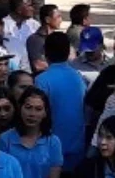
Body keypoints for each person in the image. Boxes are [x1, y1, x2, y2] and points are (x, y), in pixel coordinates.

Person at [0, 87, 62, 178]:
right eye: (28, 107)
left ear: (45, 113)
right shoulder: (5, 140)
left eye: (38, 109)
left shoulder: (53, 142)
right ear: (20, 108)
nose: (32, 114)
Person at [34, 32, 88, 170]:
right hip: (78, 149)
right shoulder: (78, 77)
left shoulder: (42, 80)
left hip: (50, 153)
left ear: (45, 52)